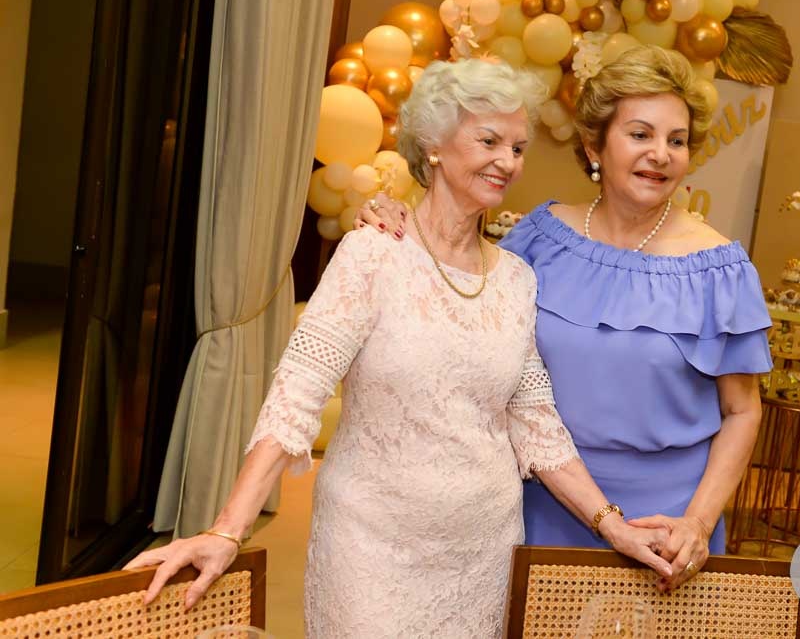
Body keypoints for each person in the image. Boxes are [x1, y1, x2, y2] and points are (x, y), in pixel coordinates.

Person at [124, 58, 673, 638]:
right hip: (369, 546)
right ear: (433, 145)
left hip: (482, 552)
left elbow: (536, 425)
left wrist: (612, 525)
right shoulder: (373, 253)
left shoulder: (516, 279)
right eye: (488, 141)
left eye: (517, 148)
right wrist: (228, 528)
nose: (507, 161)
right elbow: (297, 393)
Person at [361, 46, 773, 591]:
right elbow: (457, 295)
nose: (660, 154)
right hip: (543, 502)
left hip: (666, 526)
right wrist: (398, 222)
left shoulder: (718, 269)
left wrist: (697, 522)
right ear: (594, 144)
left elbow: (742, 411)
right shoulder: (542, 237)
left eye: (676, 141)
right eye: (641, 134)